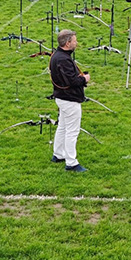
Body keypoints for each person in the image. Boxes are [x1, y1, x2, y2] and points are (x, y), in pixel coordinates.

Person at [49, 29, 89, 173]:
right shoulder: (63, 59)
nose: (76, 43)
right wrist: (84, 79)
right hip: (69, 99)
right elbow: (72, 81)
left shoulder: (57, 55)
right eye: (74, 41)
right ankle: (71, 162)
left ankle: (58, 154)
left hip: (61, 98)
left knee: (63, 127)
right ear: (67, 43)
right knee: (72, 131)